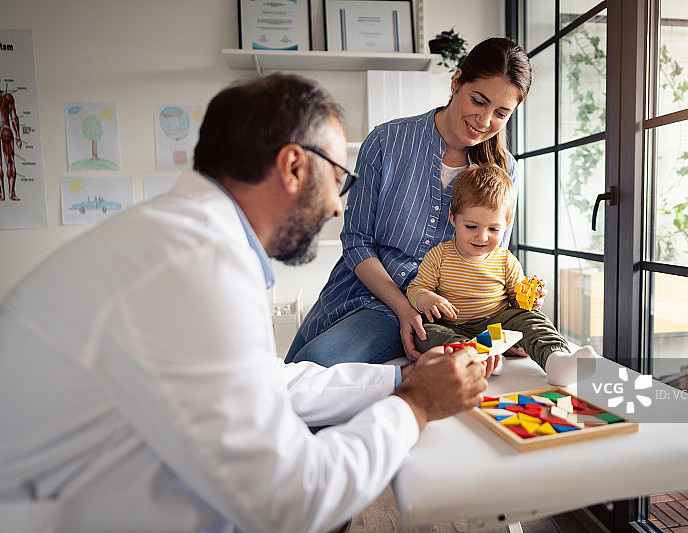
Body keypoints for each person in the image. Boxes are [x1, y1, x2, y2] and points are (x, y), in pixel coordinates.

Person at [0, 74, 497, 533]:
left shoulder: (185, 240)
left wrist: (400, 379)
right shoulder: (196, 265)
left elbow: (263, 380)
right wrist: (416, 404)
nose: (337, 206)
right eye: (338, 180)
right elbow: (293, 499)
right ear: (293, 166)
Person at [286, 37, 533, 366]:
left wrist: (511, 319)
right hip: (355, 288)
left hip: (431, 312)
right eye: (478, 101)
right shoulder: (387, 141)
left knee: (313, 364)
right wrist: (403, 306)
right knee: (287, 374)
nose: (485, 121)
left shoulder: (505, 171)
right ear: (456, 81)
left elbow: (493, 262)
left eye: (501, 113)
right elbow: (357, 240)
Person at [406, 164, 598, 386]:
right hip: (453, 327)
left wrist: (532, 299)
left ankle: (556, 361)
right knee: (424, 333)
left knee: (533, 320)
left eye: (493, 229)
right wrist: (427, 299)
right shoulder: (439, 255)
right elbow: (415, 288)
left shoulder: (505, 259)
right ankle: (481, 358)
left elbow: (518, 304)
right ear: (453, 218)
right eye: (471, 226)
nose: (482, 237)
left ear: (506, 225)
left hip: (497, 327)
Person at [0, 85, 23, 201]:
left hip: (5, 129)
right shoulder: (7, 97)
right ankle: (11, 193)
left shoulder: (7, 97)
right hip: (5, 129)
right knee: (10, 161)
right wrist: (18, 136)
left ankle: (1, 194)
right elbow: (14, 117)